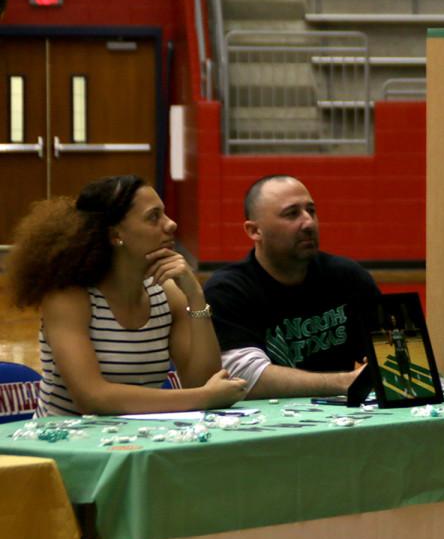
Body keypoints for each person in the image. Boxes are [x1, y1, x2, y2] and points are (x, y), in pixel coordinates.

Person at [5, 175, 246, 417]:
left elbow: (205, 381)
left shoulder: (167, 294)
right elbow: (92, 398)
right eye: (154, 217)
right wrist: (202, 398)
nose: (171, 224)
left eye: (165, 213)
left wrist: (196, 297)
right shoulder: (68, 297)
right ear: (114, 235)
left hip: (138, 442)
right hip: (64, 446)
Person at [203, 175, 381, 398]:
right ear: (254, 231)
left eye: (311, 211)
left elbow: (391, 353)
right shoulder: (228, 290)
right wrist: (345, 382)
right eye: (292, 214)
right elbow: (243, 376)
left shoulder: (348, 277)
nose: (308, 223)